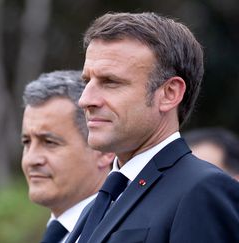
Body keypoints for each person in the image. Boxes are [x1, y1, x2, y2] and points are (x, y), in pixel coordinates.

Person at [66, 12, 239, 243]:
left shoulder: (203, 190)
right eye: (87, 82)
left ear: (169, 93)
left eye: (111, 82)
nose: (85, 100)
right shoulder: (101, 202)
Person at [21, 70, 114, 243]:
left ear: (104, 151)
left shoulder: (121, 232)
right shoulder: (61, 233)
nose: (31, 159)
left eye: (49, 142)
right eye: (26, 142)